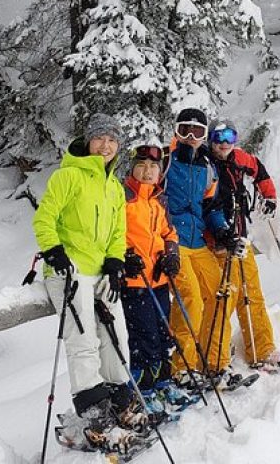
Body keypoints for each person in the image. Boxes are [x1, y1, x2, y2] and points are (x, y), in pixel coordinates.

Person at [32, 113, 145, 449]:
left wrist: (115, 261)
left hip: (99, 272)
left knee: (116, 337)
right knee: (83, 342)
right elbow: (44, 218)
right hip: (69, 272)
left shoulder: (113, 186)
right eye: (100, 138)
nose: (105, 145)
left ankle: (120, 404)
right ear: (88, 141)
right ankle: (95, 417)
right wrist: (54, 251)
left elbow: (118, 231)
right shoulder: (68, 176)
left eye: (112, 140)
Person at [162, 108, 245, 386]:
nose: (190, 137)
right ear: (176, 131)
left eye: (197, 131)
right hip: (173, 242)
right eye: (185, 129)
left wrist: (222, 230)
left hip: (198, 243)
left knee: (223, 293)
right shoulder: (165, 162)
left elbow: (211, 206)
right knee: (192, 299)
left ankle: (216, 362)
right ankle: (183, 365)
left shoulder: (206, 167)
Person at [208, 118, 280, 369]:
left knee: (252, 295)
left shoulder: (240, 159)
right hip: (218, 243)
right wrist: (220, 233)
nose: (224, 144)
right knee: (225, 300)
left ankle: (262, 349)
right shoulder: (205, 165)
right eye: (219, 138)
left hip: (240, 239)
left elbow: (260, 171)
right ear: (210, 139)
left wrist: (270, 198)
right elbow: (205, 206)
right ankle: (217, 357)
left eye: (230, 137)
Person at [120, 144, 191, 409]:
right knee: (144, 335)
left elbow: (169, 233)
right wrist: (124, 254)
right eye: (142, 166)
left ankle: (163, 383)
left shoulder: (158, 199)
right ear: (132, 168)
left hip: (159, 279)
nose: (148, 171)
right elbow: (110, 233)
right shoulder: (123, 197)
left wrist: (171, 254)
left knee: (164, 333)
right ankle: (144, 389)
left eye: (153, 167)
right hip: (134, 282)